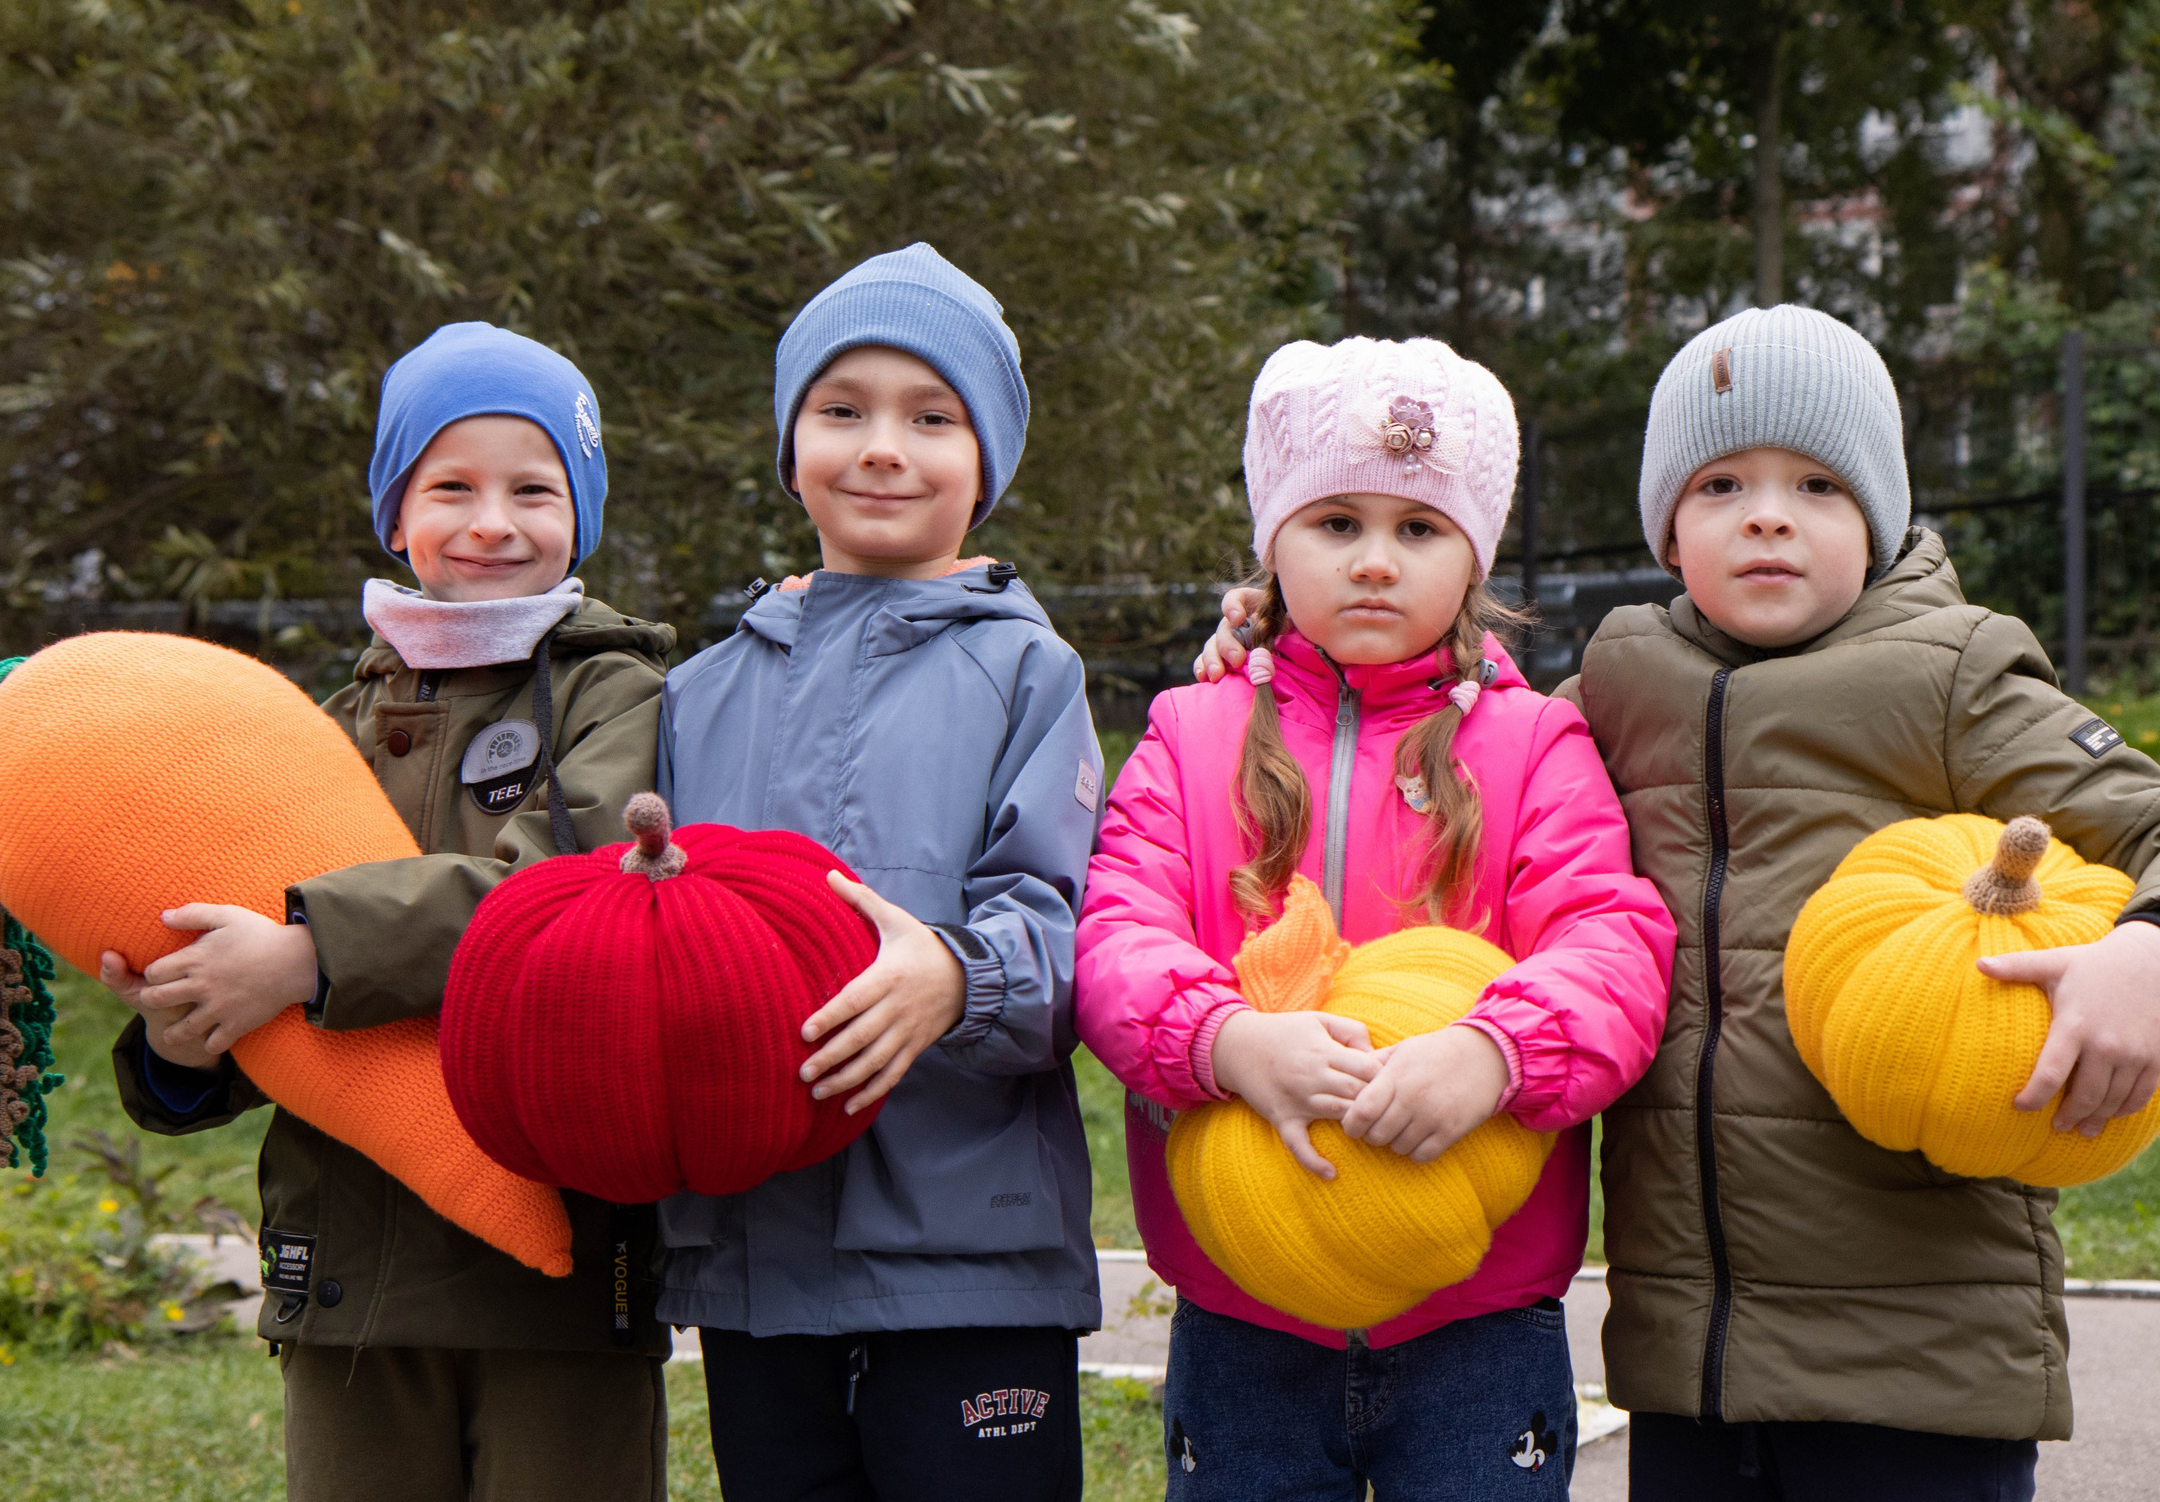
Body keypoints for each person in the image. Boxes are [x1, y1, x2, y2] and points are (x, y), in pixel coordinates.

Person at [1201, 306, 2160, 1501]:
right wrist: (1267, 647)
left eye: (1818, 484)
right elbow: (1448, 703)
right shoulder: (1617, 684)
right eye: (1720, 484)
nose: (1767, 513)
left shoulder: (1955, 675)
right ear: (1668, 530)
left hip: (1920, 1348)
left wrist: (2157, 955)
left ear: (1877, 518)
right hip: (1687, 1357)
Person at [1078, 335, 1676, 1500]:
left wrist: (1495, 1051)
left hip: (1478, 1316)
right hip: (1244, 1308)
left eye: (1417, 529)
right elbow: (1114, 939)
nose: (1373, 561)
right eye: (1335, 522)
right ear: (1272, 542)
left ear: (1474, 555)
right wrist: (1225, 1041)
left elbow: (1613, 942)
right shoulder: (1188, 739)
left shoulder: (1533, 746)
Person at [102, 323, 679, 1502]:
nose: (491, 521)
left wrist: (309, 952)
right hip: (345, 1280)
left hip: (563, 1271)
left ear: (583, 511)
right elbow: (242, 957)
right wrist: (182, 1039)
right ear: (395, 512)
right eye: (450, 486)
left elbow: (560, 895)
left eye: (533, 488)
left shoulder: (620, 691)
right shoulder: (319, 724)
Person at [650, 243, 1103, 1502]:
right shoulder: (697, 692)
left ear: (989, 463)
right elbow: (655, 937)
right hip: (755, 1256)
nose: (883, 446)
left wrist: (957, 984)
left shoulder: (1028, 674)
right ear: (790, 441)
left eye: (932, 416)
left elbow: (1076, 931)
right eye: (841, 410)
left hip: (967, 1258)